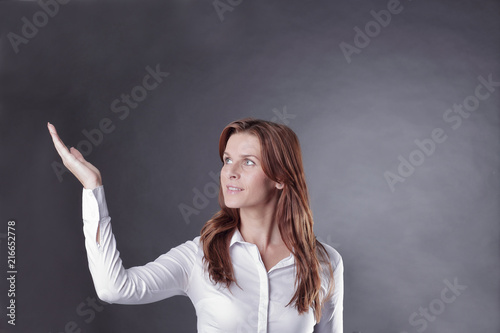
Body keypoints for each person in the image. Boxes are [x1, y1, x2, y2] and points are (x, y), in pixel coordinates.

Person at [47, 118, 344, 332]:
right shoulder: (200, 256)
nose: (230, 172)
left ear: (281, 177)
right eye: (227, 160)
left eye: (248, 162)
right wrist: (92, 187)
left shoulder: (325, 262)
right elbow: (114, 288)